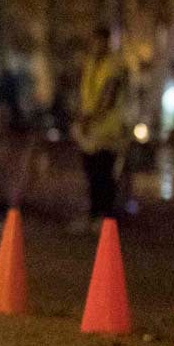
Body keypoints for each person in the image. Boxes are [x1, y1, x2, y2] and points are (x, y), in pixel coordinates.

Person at [73, 27, 125, 230]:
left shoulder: (113, 66)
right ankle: (94, 214)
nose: (96, 45)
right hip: (90, 130)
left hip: (106, 130)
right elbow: (86, 95)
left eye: (100, 41)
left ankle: (106, 217)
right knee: (91, 173)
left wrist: (91, 119)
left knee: (103, 173)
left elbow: (108, 98)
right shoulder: (90, 64)